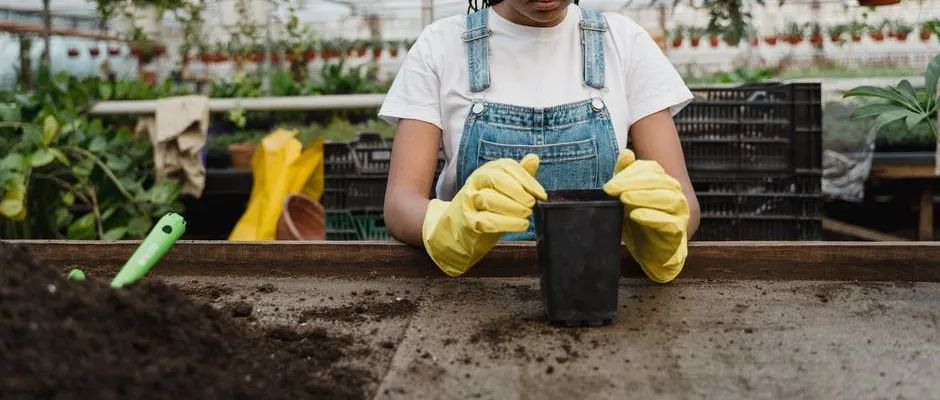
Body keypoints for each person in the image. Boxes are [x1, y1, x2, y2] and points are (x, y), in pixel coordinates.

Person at [379, 0, 700, 282]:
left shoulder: (625, 42)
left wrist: (663, 229)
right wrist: (448, 225)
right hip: (473, 294)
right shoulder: (441, 45)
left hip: (595, 287)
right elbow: (400, 202)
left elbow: (685, 203)